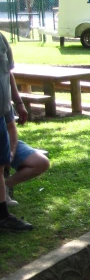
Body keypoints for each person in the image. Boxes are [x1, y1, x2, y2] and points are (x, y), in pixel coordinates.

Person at [0, 32, 32, 231]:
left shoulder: (1, 39)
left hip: (2, 112)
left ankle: (3, 216)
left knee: (1, 165)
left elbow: (8, 72)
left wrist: (18, 103)